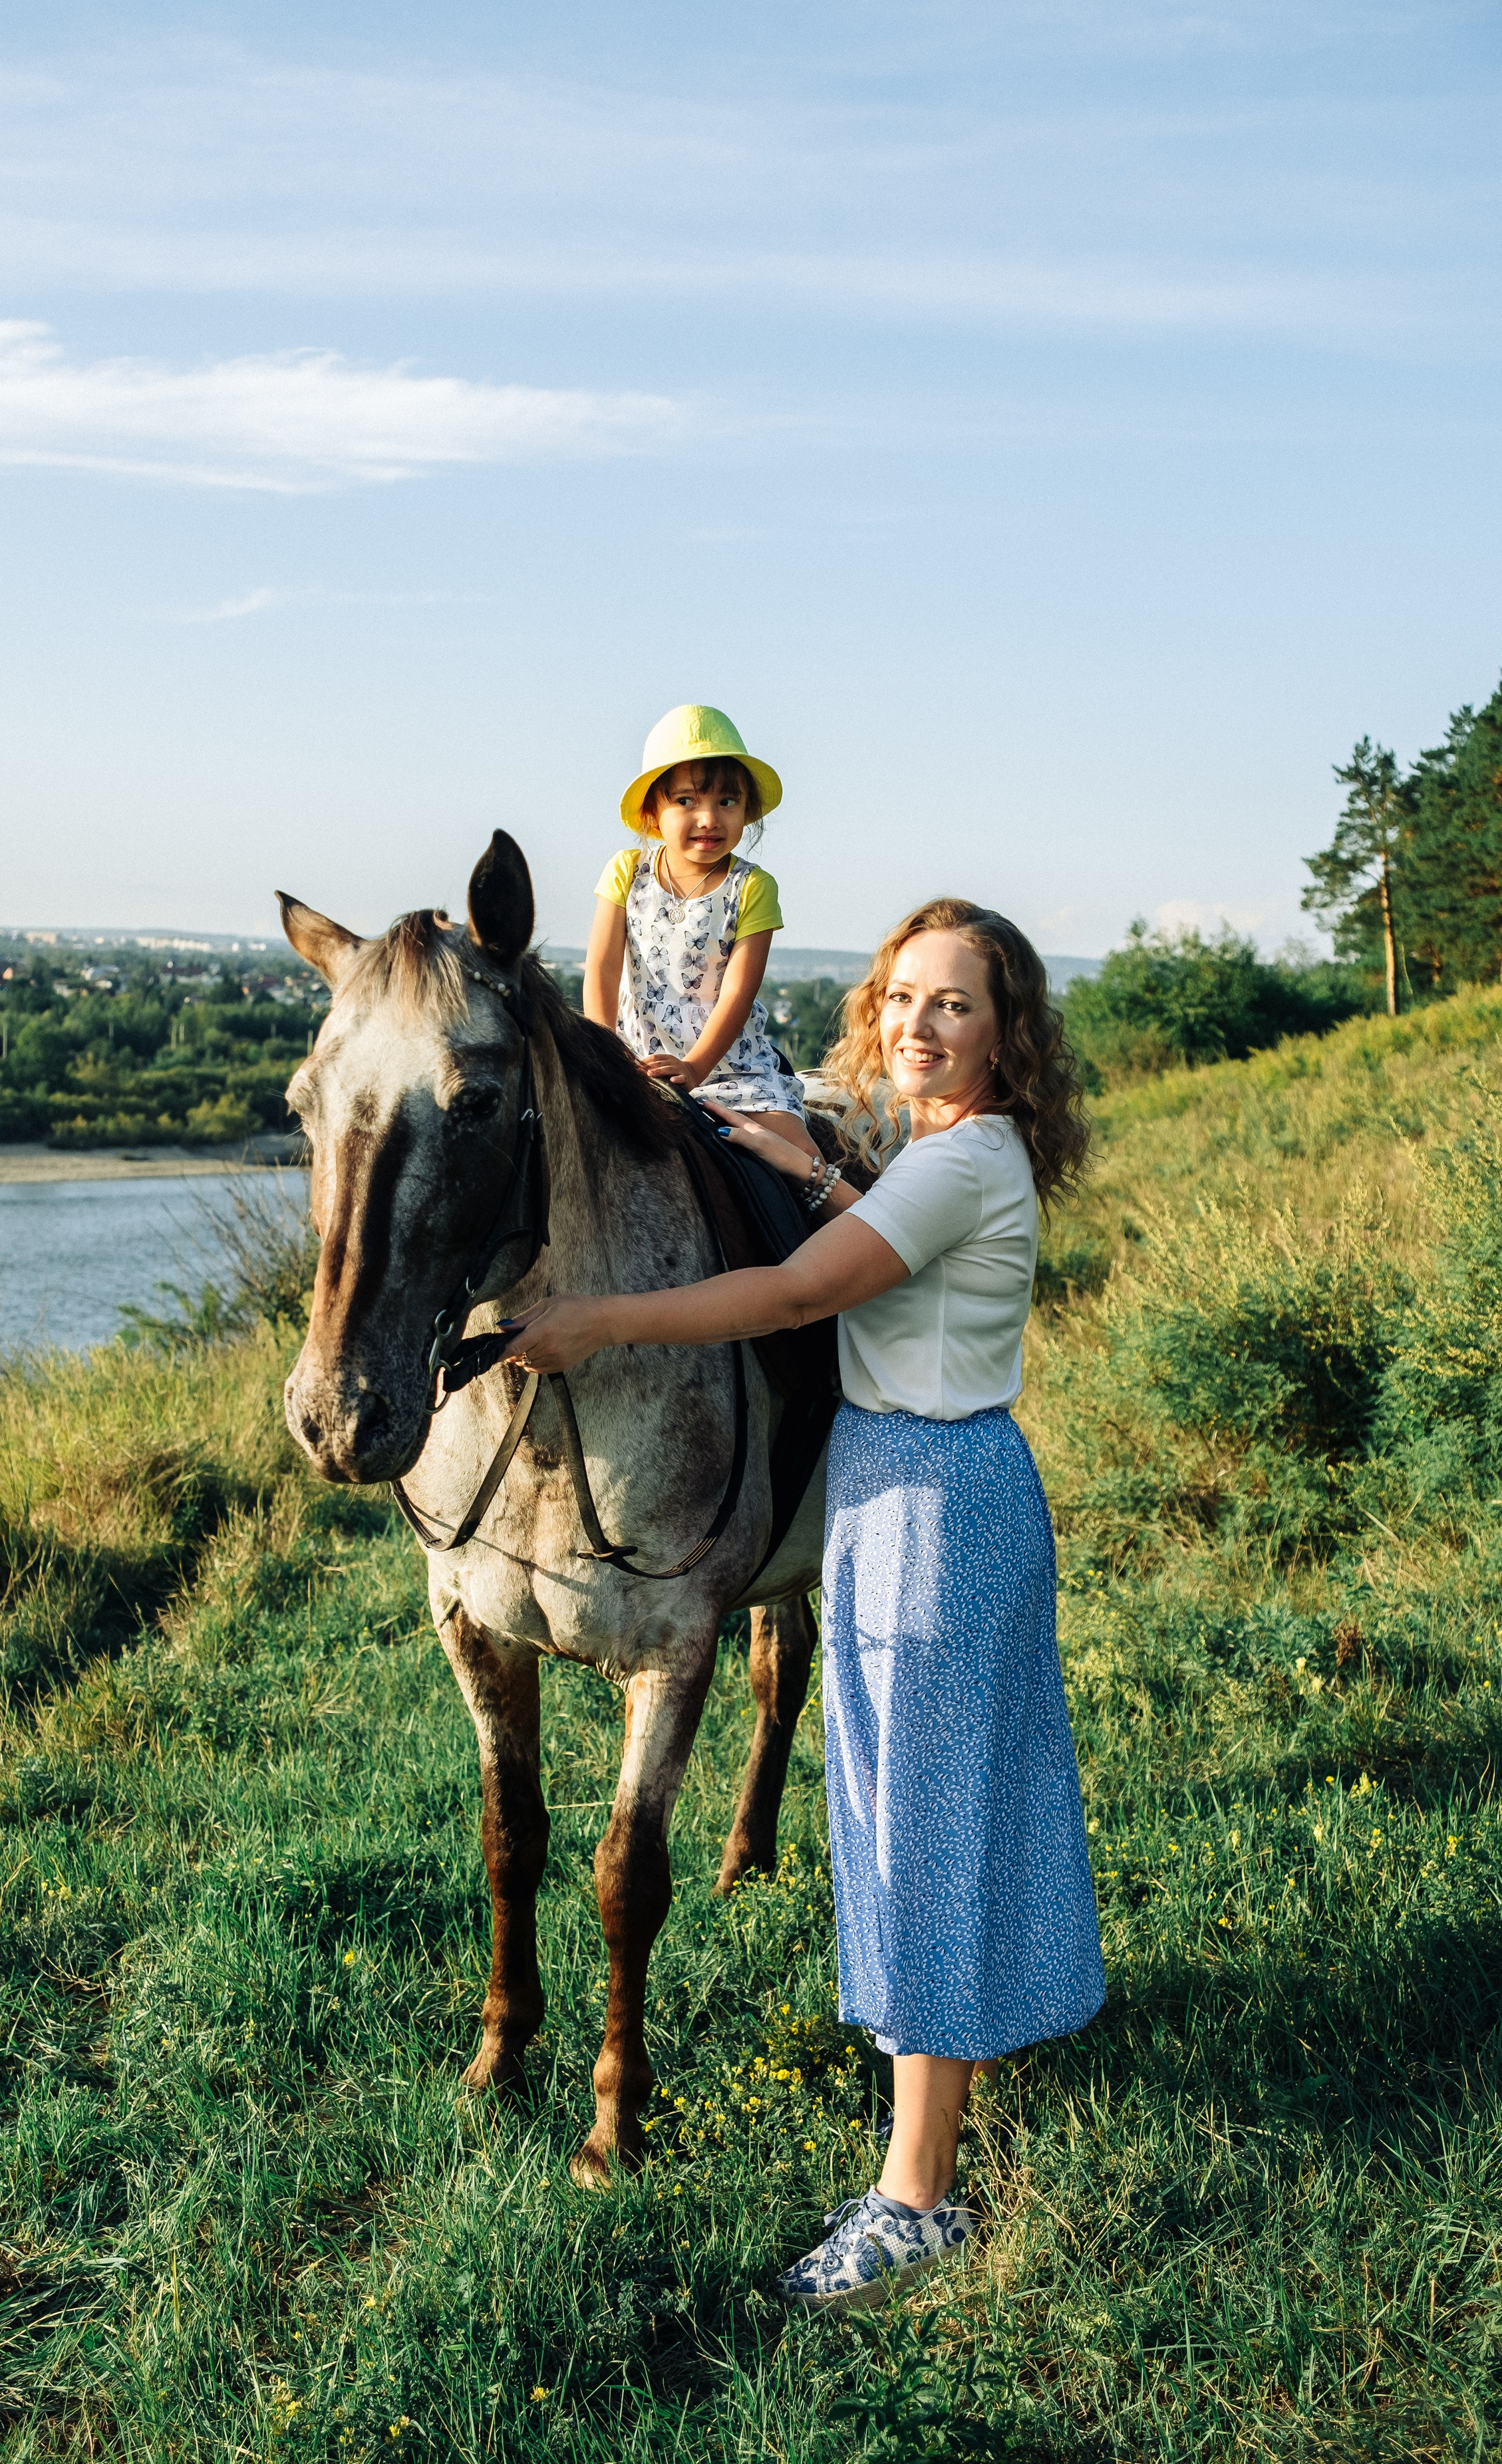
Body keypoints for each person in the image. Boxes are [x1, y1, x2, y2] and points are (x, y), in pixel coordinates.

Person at [505, 896, 1106, 2312]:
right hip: (926, 1488)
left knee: (923, 1829)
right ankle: (950, 2078)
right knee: (936, 1807)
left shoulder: (961, 1163)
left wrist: (596, 1322)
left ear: (1006, 1032)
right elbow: (888, 1252)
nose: (916, 1023)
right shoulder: (950, 1156)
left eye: (953, 1003)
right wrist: (818, 1170)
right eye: (900, 997)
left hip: (931, 1506)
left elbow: (787, 1299)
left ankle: (916, 2199)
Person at [584, 702, 820, 1161]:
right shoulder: (626, 871)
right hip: (635, 1059)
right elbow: (602, 967)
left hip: (729, 1068)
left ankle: (850, 1209)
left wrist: (695, 1068)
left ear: (746, 810)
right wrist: (604, 1053)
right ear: (653, 811)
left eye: (727, 802)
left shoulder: (751, 887)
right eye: (686, 801)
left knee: (803, 1156)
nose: (709, 818)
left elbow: (737, 994)